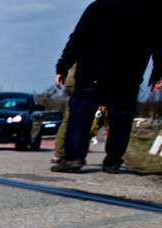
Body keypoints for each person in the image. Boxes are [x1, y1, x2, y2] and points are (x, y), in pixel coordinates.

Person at [51, 0, 162, 174]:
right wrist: (157, 72)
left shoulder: (99, 6)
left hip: (92, 75)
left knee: (80, 117)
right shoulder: (152, 10)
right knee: (121, 121)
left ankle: (74, 158)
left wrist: (63, 66)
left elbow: (78, 38)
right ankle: (112, 161)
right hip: (127, 79)